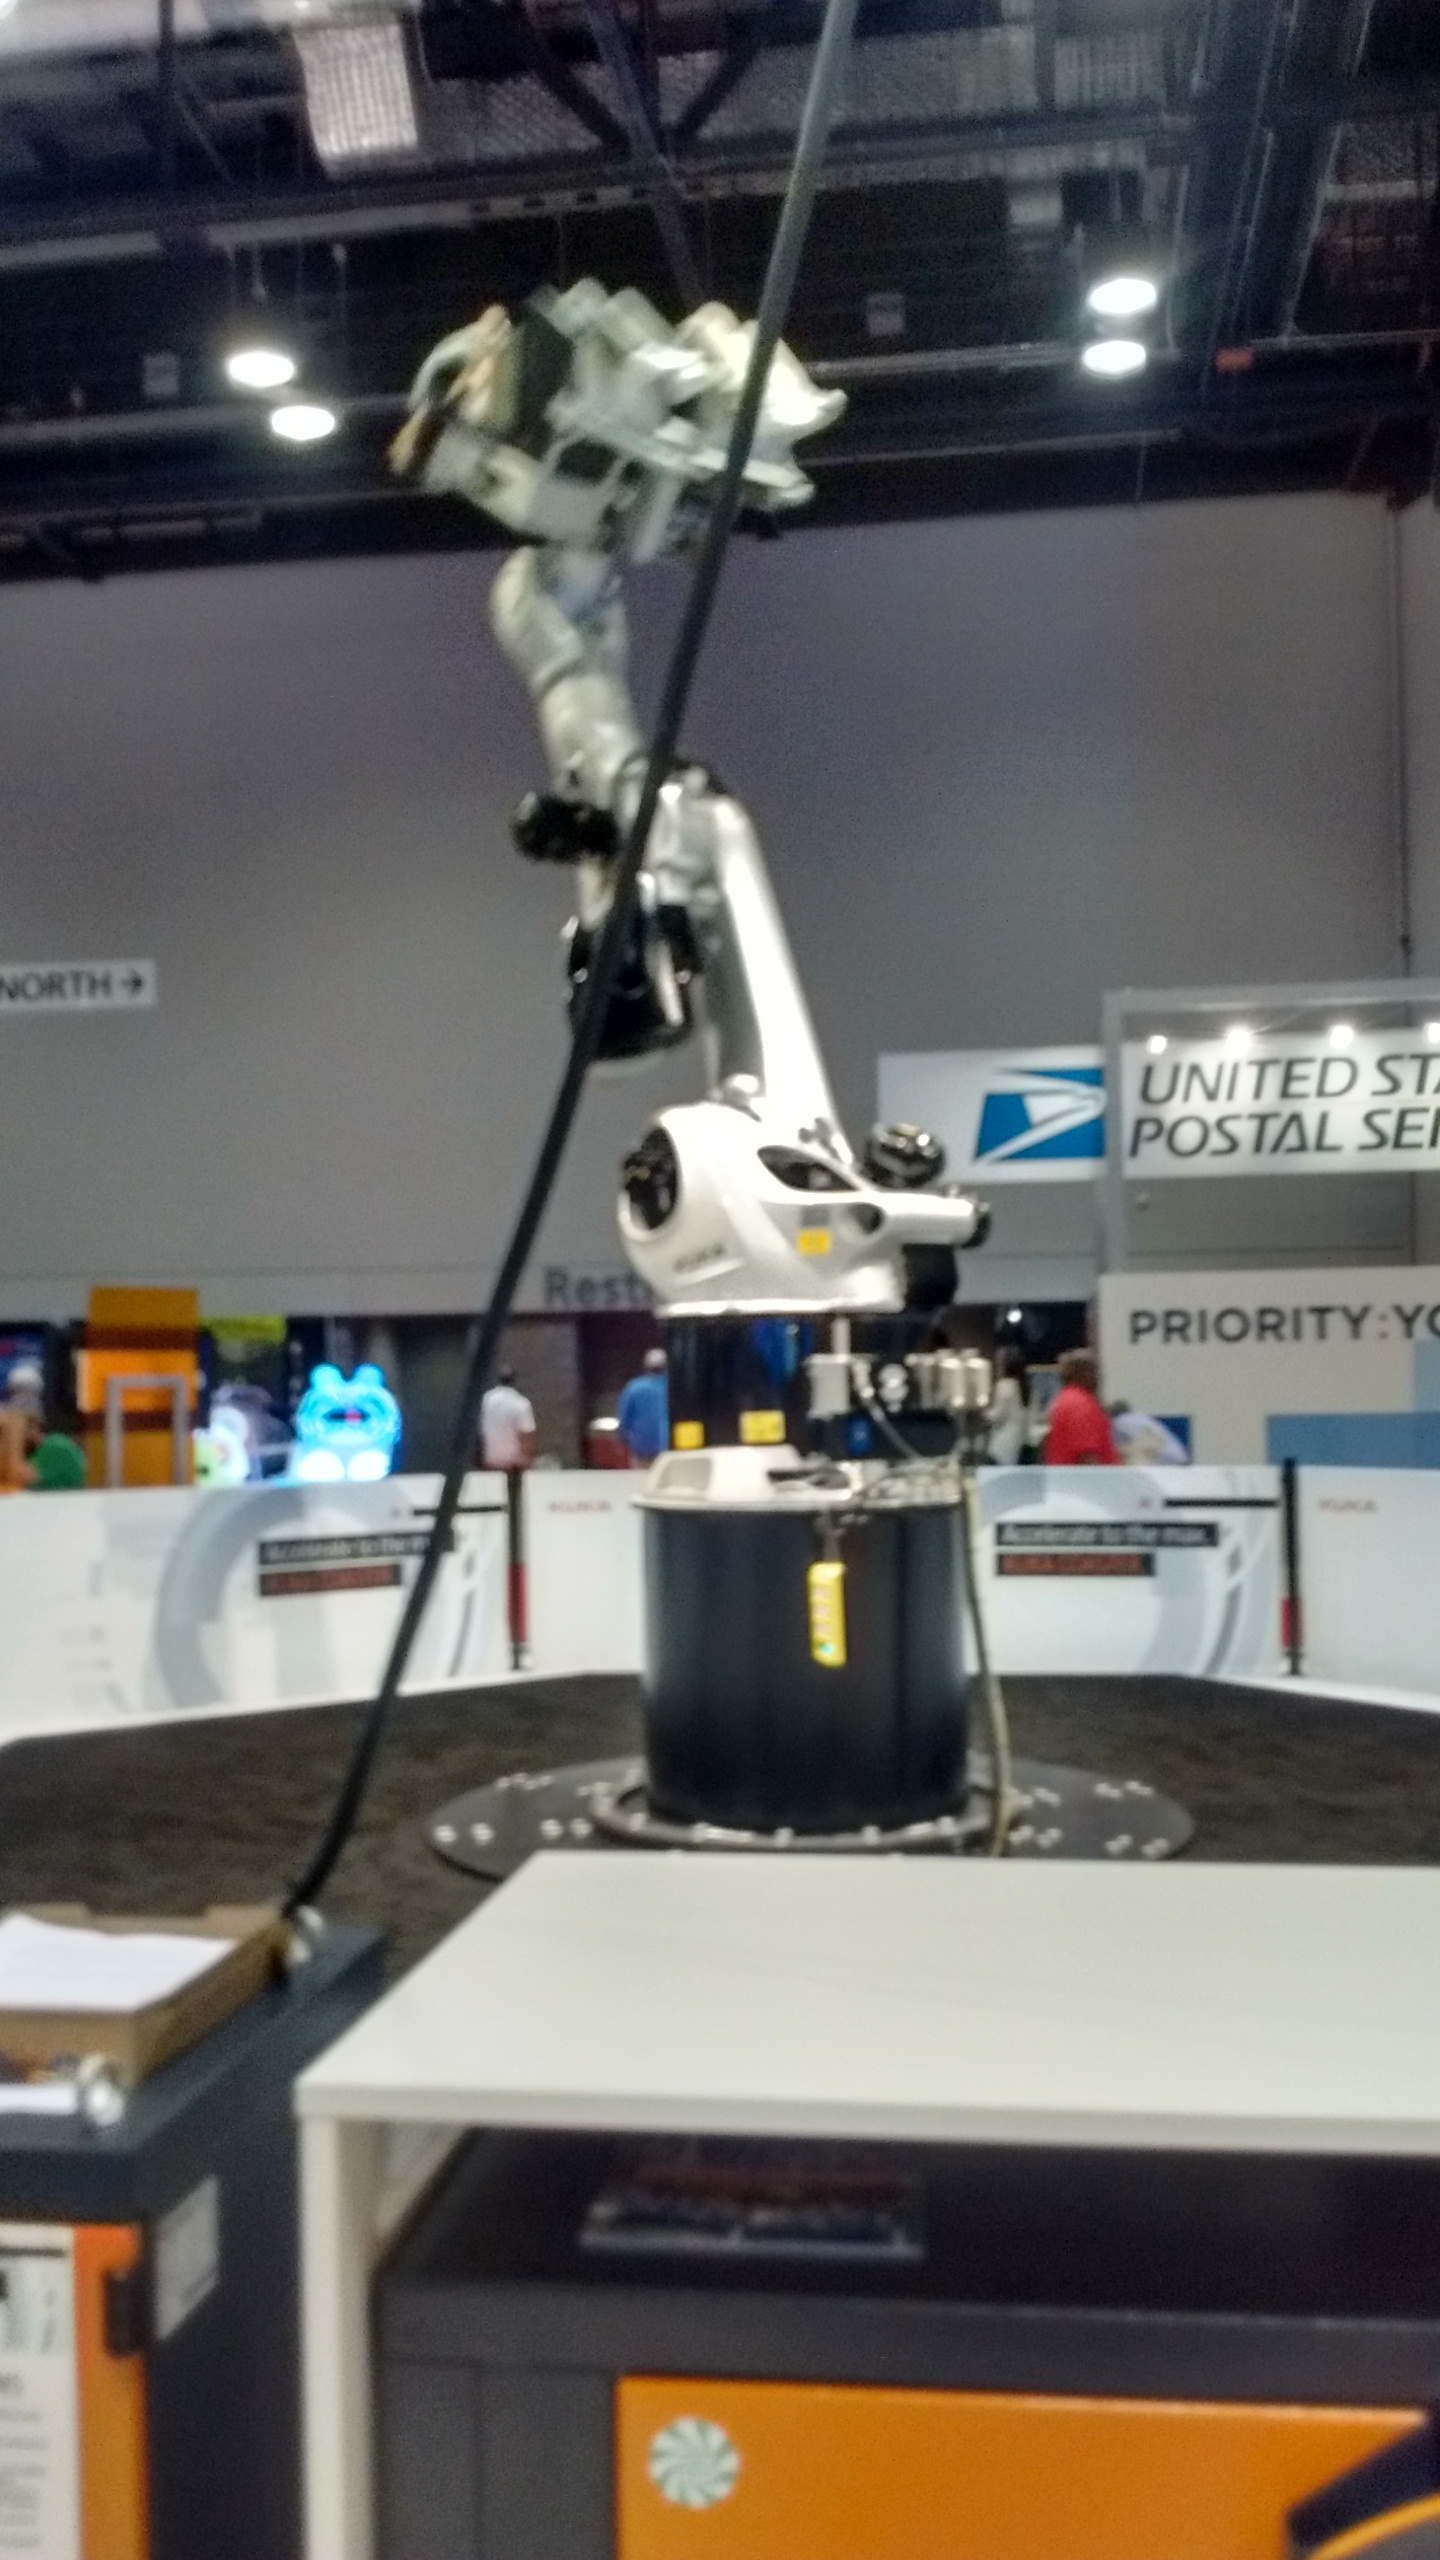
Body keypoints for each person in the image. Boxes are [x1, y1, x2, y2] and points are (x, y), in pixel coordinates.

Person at [1041, 1348, 1117, 1466]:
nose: (1098, 1377)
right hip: (1083, 1476)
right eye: (1093, 1371)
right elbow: (1087, 1456)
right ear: (1082, 1373)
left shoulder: (1066, 1399)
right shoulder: (1080, 1405)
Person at [479, 1366, 536, 1472]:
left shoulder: (484, 1400)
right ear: (514, 1381)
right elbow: (526, 1433)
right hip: (513, 1461)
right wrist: (527, 1458)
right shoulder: (521, 1402)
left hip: (487, 1458)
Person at [618, 1348, 669, 1465]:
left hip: (641, 1446)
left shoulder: (634, 1387)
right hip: (667, 1445)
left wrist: (623, 1437)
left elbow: (625, 1416)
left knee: (641, 1475)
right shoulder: (672, 1387)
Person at [1109, 1400, 1190, 1467]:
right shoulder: (1139, 1417)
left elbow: (1141, 1442)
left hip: (1170, 1460)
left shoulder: (1122, 1421)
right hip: (1179, 1456)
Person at [987, 1347, 1029, 1467]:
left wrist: (983, 1413)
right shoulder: (1026, 1386)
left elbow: (998, 1416)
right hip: (1019, 1439)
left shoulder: (1004, 1385)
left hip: (1003, 1440)